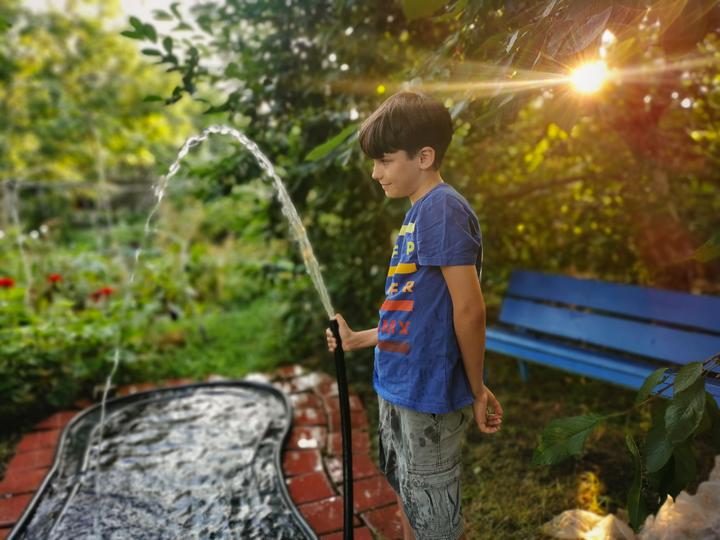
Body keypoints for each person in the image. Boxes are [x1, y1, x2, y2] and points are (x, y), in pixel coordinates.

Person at [325, 90, 503, 540]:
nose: (375, 172)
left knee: (433, 514)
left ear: (423, 156)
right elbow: (416, 313)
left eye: (384, 160)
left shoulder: (441, 209)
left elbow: (468, 307)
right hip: (399, 383)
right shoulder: (417, 214)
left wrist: (476, 386)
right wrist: (359, 339)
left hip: (427, 392)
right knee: (408, 494)